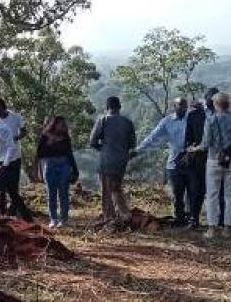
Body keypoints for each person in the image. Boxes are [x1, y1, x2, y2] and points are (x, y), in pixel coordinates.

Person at [188, 93, 231, 239]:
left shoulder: (211, 119)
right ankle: (227, 228)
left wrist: (194, 149)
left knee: (213, 194)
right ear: (228, 104)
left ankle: (212, 229)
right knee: (230, 194)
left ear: (216, 104)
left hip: (214, 159)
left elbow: (206, 143)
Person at [133, 98, 190, 226]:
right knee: (177, 193)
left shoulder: (192, 119)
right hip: (174, 162)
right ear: (174, 106)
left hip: (191, 162)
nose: (183, 109)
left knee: (192, 193)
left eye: (184, 106)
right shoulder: (167, 121)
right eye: (180, 106)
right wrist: (139, 150)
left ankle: (191, 219)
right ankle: (179, 219)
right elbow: (153, 137)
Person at [89, 96, 136, 225]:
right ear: (119, 107)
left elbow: (92, 142)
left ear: (107, 107)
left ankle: (110, 217)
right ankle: (124, 214)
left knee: (106, 190)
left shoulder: (103, 120)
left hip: (106, 160)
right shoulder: (127, 122)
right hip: (121, 161)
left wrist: (103, 149)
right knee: (116, 187)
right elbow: (132, 144)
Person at [0, 106, 33, 222]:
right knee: (13, 194)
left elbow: (11, 148)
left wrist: (5, 165)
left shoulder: (2, 129)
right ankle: (29, 220)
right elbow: (2, 149)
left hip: (9, 166)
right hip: (7, 164)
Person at [36, 116, 78, 228]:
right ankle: (53, 219)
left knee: (64, 193)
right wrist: (49, 142)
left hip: (64, 165)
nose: (63, 126)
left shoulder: (65, 137)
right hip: (50, 166)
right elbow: (40, 153)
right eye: (60, 124)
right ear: (54, 124)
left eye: (63, 124)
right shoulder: (45, 136)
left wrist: (75, 170)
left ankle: (63, 219)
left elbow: (70, 154)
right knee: (51, 193)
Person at [183, 99, 208, 229]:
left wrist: (189, 149)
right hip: (206, 158)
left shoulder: (194, 115)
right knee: (201, 190)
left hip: (198, 156)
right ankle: (195, 218)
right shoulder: (219, 115)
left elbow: (187, 139)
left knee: (196, 189)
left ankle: (194, 218)